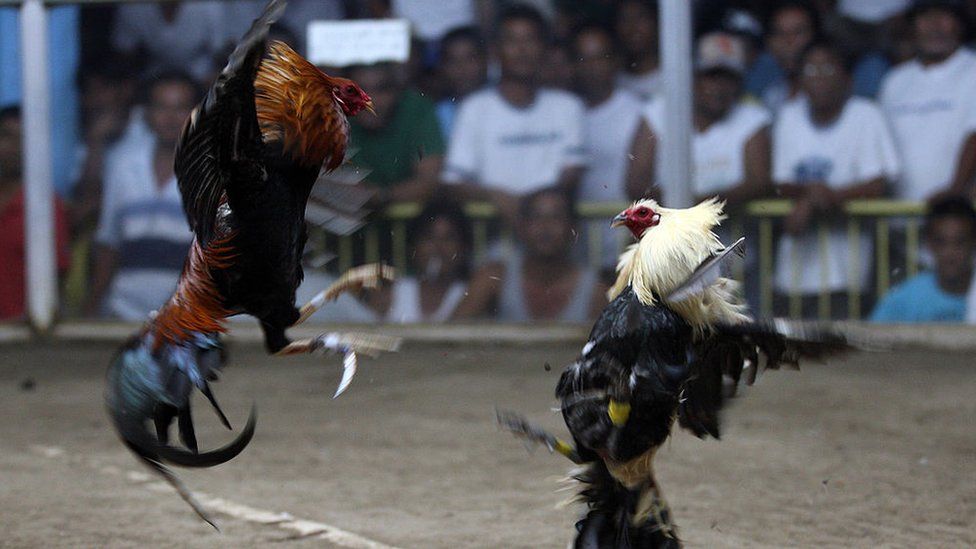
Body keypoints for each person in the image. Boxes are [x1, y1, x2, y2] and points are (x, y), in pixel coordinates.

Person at [772, 41, 900, 318]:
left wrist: (822, 198)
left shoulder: (866, 114)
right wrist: (812, 195)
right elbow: (781, 182)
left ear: (847, 78)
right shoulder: (790, 115)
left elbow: (879, 182)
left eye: (827, 68)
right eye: (810, 69)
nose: (818, 76)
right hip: (793, 271)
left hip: (847, 272)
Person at [442, 5, 586, 226]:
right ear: (495, 50)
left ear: (544, 48)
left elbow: (571, 174)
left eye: (530, 40)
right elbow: (453, 183)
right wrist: (495, 196)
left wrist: (529, 209)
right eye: (512, 41)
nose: (522, 50)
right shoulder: (474, 108)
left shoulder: (568, 106)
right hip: (493, 245)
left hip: (555, 240)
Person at [86, 72, 199, 320]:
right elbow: (109, 244)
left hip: (186, 319)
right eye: (161, 107)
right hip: (122, 311)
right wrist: (92, 308)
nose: (170, 118)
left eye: (180, 108)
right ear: (146, 113)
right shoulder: (122, 166)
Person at [638, 32, 772, 210]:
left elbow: (758, 184)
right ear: (693, 78)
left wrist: (695, 209)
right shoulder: (660, 112)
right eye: (711, 76)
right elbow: (636, 184)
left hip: (732, 237)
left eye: (728, 78)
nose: (720, 87)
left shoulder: (753, 117)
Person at [454, 187, 607, 322]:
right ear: (521, 227)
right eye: (536, 217)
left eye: (556, 217)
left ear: (573, 229)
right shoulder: (493, 279)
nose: (545, 226)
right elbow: (449, 337)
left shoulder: (595, 292)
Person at [879, 0, 976, 201]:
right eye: (925, 16)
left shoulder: (972, 70)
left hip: (956, 219)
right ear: (912, 25)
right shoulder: (894, 81)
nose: (934, 24)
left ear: (959, 23)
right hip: (897, 216)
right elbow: (881, 146)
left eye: (944, 15)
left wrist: (953, 195)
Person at [572, 23, 647, 269]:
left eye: (599, 58)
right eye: (584, 58)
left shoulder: (637, 112)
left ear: (615, 61)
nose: (591, 67)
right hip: (575, 250)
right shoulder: (566, 113)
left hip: (624, 245)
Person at [0, 106, 71, 321]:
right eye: (6, 136)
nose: (14, 147)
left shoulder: (46, 206)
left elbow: (57, 278)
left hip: (22, 340)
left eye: (23, 139)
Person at [346, 63, 445, 205]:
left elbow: (428, 182)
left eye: (380, 90)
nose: (369, 101)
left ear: (397, 92)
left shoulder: (417, 110)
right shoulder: (331, 115)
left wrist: (380, 196)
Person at [874, 195, 975, 322]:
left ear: (973, 241)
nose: (950, 253)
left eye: (959, 242)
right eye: (941, 242)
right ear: (929, 243)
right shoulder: (903, 300)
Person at [367, 199, 472, 323]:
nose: (438, 247)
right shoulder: (392, 294)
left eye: (449, 238)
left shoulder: (471, 295)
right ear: (413, 248)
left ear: (463, 248)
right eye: (429, 237)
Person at [111, 1, 225, 81]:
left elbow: (221, 53)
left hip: (202, 74)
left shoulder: (211, 6)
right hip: (154, 75)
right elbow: (124, 52)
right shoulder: (133, 6)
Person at [744, 1, 820, 112]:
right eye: (779, 33)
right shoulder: (770, 95)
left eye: (798, 32)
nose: (788, 41)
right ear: (768, 42)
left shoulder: (834, 92)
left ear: (816, 37)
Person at [434, 26, 488, 139]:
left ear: (485, 61)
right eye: (453, 61)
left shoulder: (502, 107)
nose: (462, 68)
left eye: (470, 59)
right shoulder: (436, 116)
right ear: (442, 67)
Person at [613, 0, 661, 101]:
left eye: (640, 17)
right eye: (625, 20)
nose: (633, 28)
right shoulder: (613, 81)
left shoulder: (676, 73)